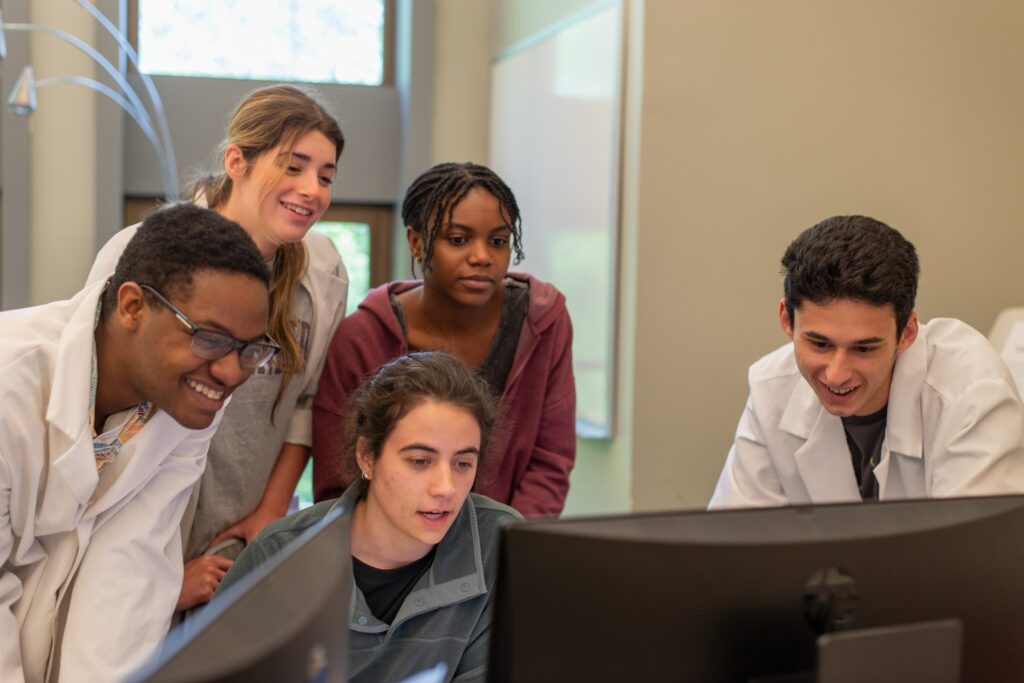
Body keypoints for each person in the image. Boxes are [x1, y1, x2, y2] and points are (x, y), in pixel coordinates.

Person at [86, 84, 349, 610]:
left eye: (325, 176)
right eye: (293, 166)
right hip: (134, 536)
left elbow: (305, 405)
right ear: (237, 161)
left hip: (239, 539)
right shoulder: (144, 252)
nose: (312, 190)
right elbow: (95, 399)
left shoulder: (321, 271)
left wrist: (268, 517)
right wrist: (159, 578)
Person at [0, 204, 273, 682]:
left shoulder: (191, 395)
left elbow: (130, 561)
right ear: (132, 306)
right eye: (210, 338)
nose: (232, 373)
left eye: (251, 350)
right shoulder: (11, 385)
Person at [219, 352, 522, 681]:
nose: (446, 488)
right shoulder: (275, 558)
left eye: (463, 464)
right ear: (366, 457)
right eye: (420, 461)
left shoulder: (502, 544)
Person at [312, 162, 576, 517]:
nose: (481, 257)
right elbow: (339, 480)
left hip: (507, 547)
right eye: (458, 239)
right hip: (393, 552)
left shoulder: (543, 322)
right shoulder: (361, 337)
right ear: (416, 243)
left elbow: (550, 459)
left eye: (498, 241)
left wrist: (508, 548)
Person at [710, 215, 1024, 508]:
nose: (837, 374)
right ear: (787, 321)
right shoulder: (771, 389)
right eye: (820, 344)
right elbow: (736, 547)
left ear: (907, 333)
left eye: (864, 349)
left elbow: (977, 553)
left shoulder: (971, 394)